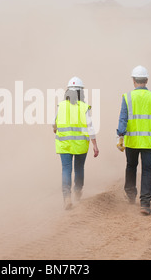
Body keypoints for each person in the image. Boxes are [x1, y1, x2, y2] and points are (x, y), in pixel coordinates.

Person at [116, 66, 151, 215]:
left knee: (131, 166)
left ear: (133, 80)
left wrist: (120, 136)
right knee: (147, 170)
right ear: (147, 80)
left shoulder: (128, 97)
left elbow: (123, 119)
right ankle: (145, 204)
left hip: (132, 141)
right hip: (149, 141)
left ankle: (130, 195)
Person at [53, 76, 99, 210]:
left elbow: (54, 123)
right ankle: (78, 193)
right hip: (80, 146)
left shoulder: (61, 106)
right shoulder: (84, 107)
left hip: (64, 145)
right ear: (81, 92)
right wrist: (95, 145)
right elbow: (90, 127)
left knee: (66, 169)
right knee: (79, 169)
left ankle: (67, 197)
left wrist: (56, 129)